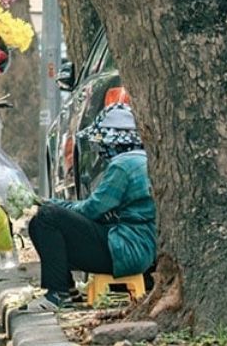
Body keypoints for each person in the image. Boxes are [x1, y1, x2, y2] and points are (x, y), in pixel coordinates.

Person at [28, 102, 156, 308]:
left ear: (113, 142)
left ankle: (57, 294)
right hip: (142, 251)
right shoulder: (146, 159)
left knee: (47, 216)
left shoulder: (123, 165)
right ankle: (67, 289)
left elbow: (92, 209)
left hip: (125, 250)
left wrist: (54, 204)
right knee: (37, 223)